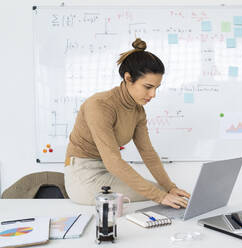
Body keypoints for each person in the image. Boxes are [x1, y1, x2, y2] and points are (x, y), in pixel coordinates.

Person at [64, 38, 190, 208]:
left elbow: (148, 154)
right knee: (159, 195)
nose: (153, 94)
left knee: (164, 192)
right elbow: (113, 161)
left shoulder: (138, 110)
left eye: (156, 88)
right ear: (128, 78)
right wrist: (160, 196)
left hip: (107, 172)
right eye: (148, 87)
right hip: (83, 176)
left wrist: (170, 187)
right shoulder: (100, 105)